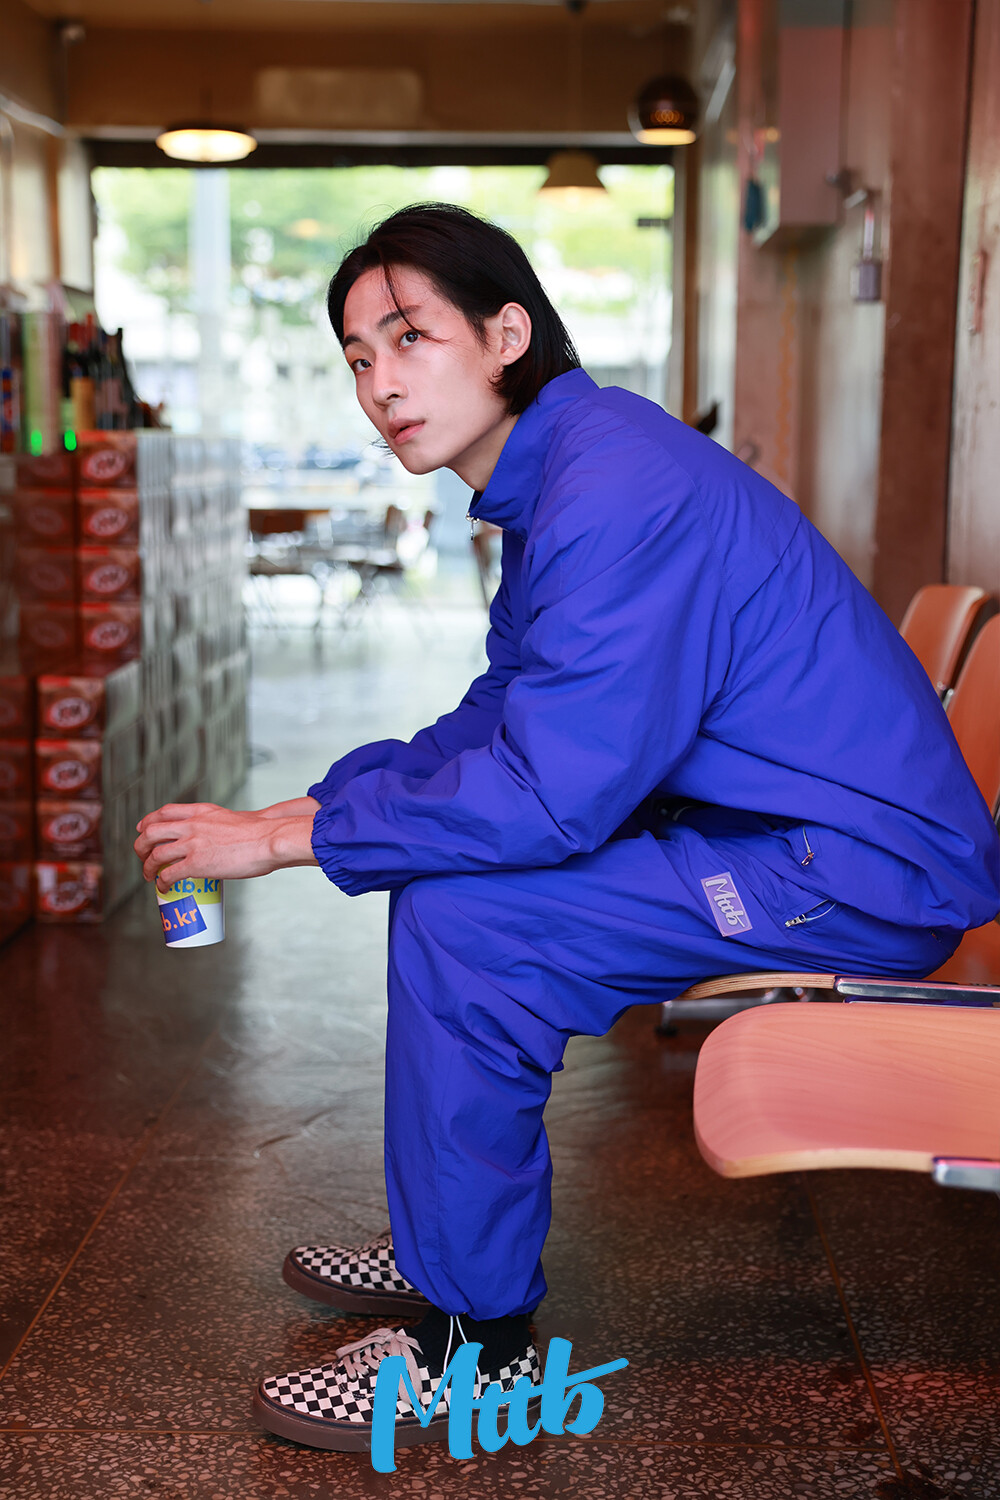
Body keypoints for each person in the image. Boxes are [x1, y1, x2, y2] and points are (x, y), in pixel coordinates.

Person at [134, 203, 1000, 1455]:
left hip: (855, 873)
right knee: (453, 898)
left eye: (409, 338)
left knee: (470, 925)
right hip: (775, 835)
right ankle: (446, 1247)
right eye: (358, 358)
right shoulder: (561, 480)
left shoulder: (616, 486)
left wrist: (285, 845)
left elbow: (551, 791)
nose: (380, 385)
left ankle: (473, 1350)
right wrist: (306, 811)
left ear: (506, 335)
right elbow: (501, 712)